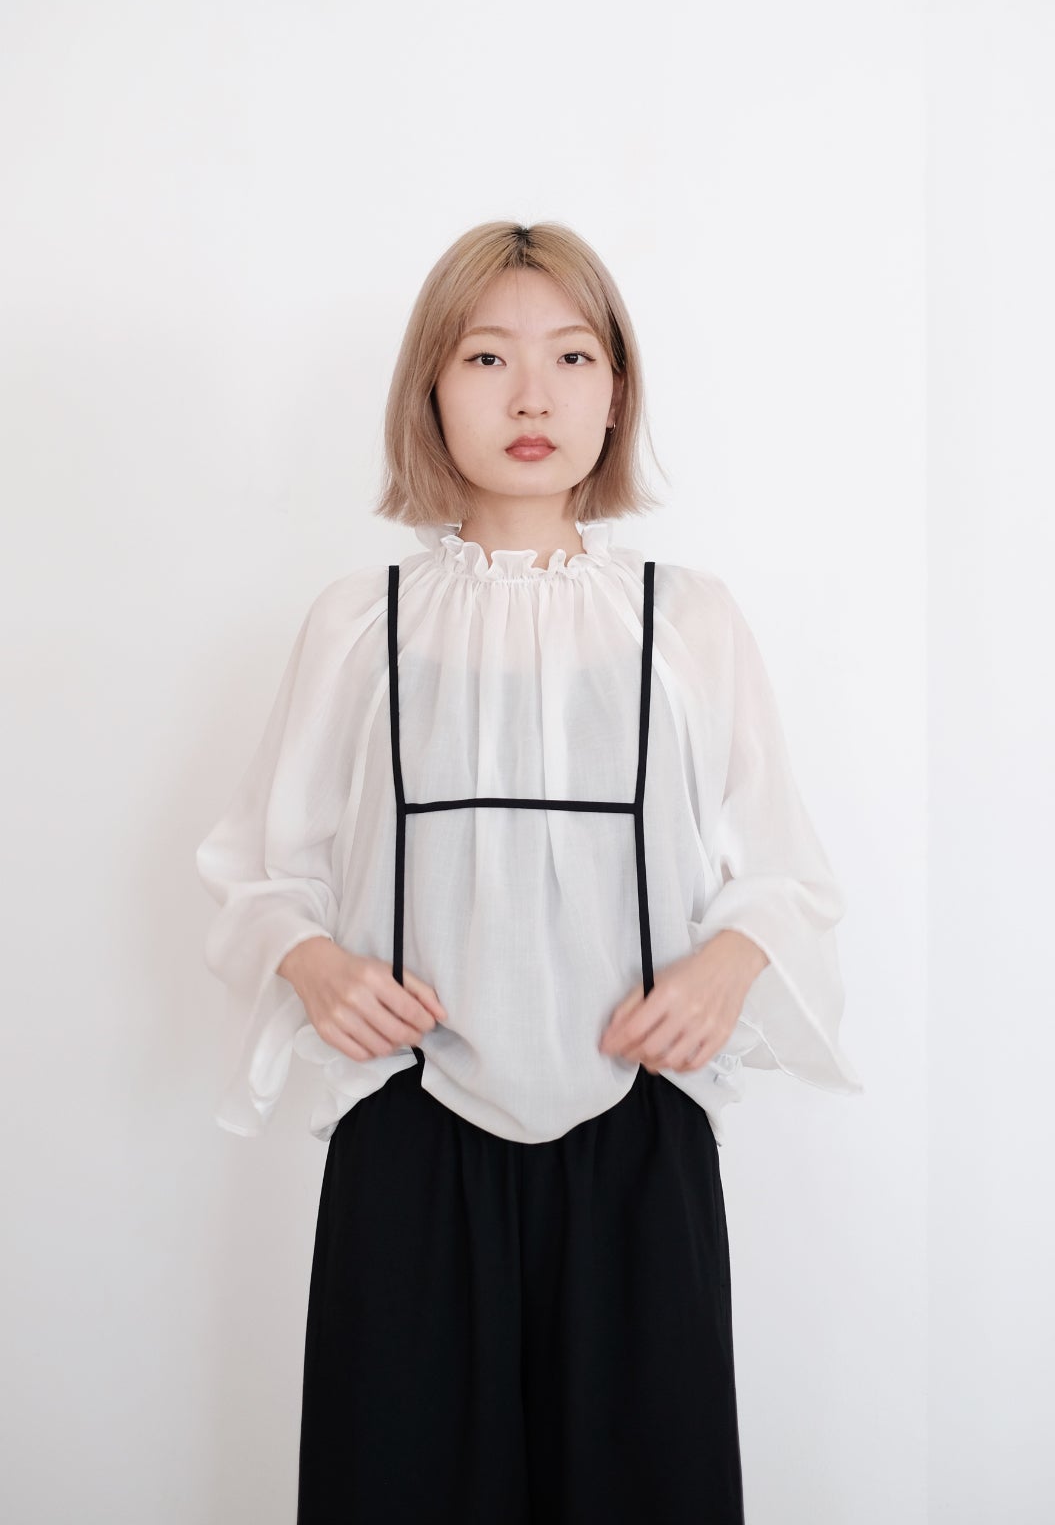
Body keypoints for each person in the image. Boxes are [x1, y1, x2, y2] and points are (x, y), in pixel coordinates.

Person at [195, 220, 862, 1524]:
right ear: (430, 389)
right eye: (487, 357)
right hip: (408, 1134)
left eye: (571, 356)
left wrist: (729, 963)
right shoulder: (361, 623)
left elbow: (788, 875)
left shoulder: (689, 621)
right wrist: (314, 962)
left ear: (617, 391)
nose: (532, 396)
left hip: (640, 1135)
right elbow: (257, 871)